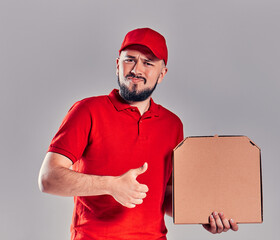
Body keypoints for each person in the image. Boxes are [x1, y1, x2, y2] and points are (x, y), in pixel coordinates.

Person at [38, 28, 238, 239]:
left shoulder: (172, 125)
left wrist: (203, 215)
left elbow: (165, 196)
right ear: (117, 65)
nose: (136, 69)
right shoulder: (87, 111)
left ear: (162, 74)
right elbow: (48, 178)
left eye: (148, 63)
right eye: (130, 60)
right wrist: (111, 185)